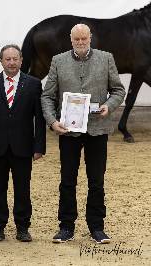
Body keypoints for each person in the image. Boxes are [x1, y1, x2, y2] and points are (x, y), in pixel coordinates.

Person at [41, 24, 126, 244]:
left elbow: (118, 90)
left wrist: (109, 105)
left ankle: (97, 227)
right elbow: (47, 96)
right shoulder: (58, 61)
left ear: (91, 38)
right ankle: (66, 227)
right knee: (67, 181)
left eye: (84, 39)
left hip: (97, 130)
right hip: (68, 131)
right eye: (76, 39)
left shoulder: (106, 58)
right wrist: (52, 121)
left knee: (96, 181)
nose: (80, 42)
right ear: (71, 40)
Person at [0, 44, 46, 242]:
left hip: (23, 147)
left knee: (23, 189)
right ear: (1, 61)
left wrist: (39, 146)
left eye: (15, 59)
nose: (12, 62)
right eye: (8, 59)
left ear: (21, 61)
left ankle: (23, 227)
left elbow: (39, 118)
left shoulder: (33, 84)